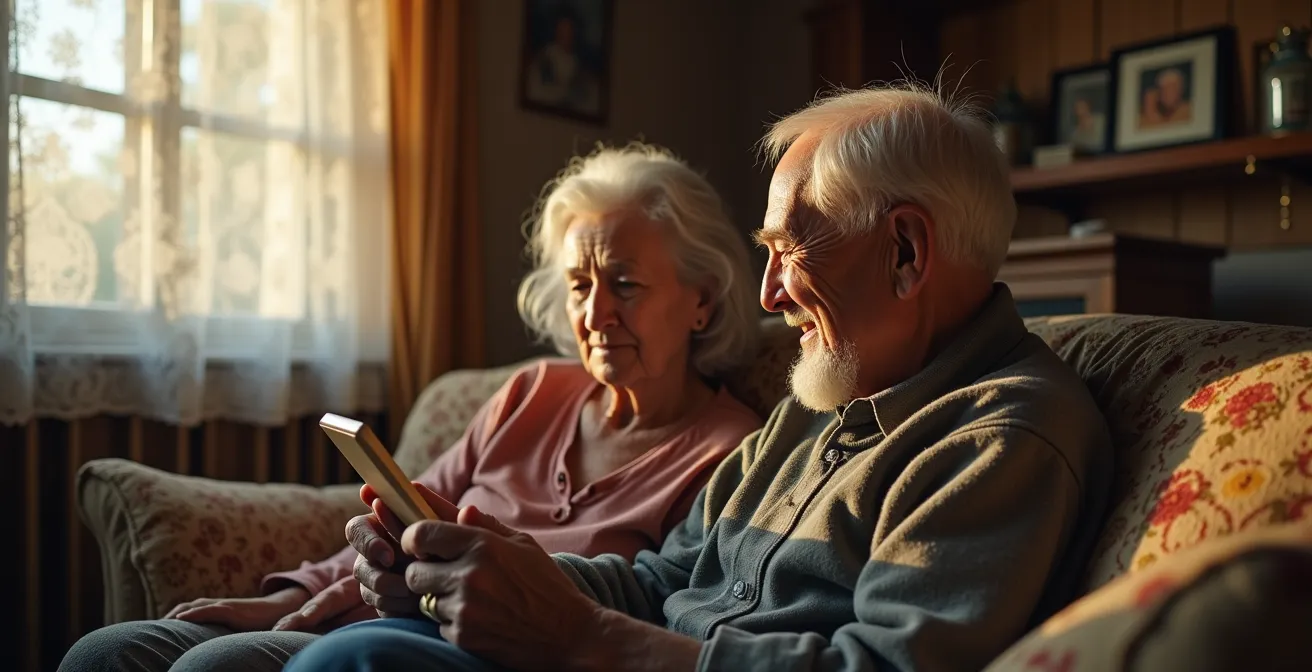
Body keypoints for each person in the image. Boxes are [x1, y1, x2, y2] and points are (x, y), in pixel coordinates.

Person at [284, 83, 1114, 672]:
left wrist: (584, 640)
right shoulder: (818, 403)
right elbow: (663, 580)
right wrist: (484, 572)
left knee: (352, 663)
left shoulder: (1003, 438)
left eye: (790, 251)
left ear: (905, 252)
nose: (766, 296)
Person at [57, 143, 764, 672]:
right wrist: (285, 600)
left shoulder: (735, 451)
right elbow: (407, 509)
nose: (595, 312)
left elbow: (663, 606)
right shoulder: (533, 393)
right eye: (580, 285)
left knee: (214, 668)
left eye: (625, 284)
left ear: (701, 299)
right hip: (369, 615)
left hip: (464, 651)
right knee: (107, 653)